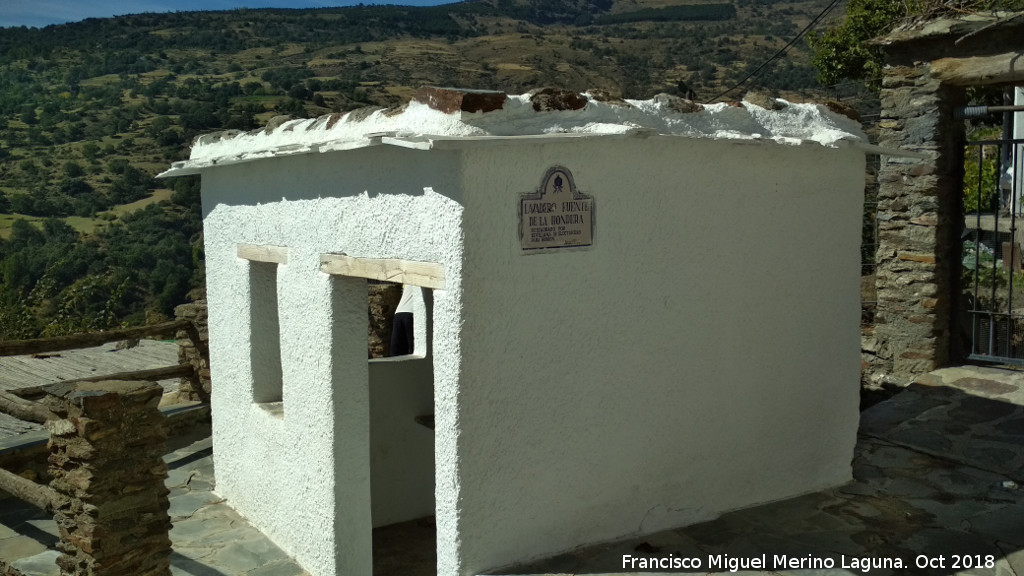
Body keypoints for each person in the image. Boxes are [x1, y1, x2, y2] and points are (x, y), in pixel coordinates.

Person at [390, 284, 415, 356]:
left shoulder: (408, 279)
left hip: (399, 313)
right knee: (413, 351)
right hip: (412, 313)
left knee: (396, 352)